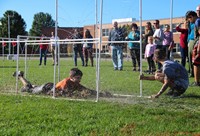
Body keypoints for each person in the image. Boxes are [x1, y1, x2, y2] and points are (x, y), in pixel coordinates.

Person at [13, 68, 112, 98]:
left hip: (51, 86)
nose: (79, 80)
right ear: (71, 77)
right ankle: (20, 75)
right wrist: (80, 96)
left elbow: (86, 90)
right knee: (29, 88)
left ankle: (27, 82)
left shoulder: (75, 83)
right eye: (77, 78)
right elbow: (64, 94)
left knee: (32, 87)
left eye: (80, 78)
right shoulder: (66, 82)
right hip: (46, 88)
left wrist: (101, 94)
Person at [185, 11, 198, 77]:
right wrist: (188, 40)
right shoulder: (190, 23)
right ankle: (191, 72)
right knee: (190, 57)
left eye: (189, 18)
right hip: (190, 41)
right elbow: (189, 32)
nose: (189, 20)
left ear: (192, 16)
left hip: (196, 40)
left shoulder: (197, 21)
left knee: (195, 58)